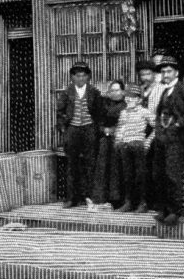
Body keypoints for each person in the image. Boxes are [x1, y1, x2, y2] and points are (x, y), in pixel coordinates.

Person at [151, 56, 184, 225]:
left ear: (177, 73)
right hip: (162, 138)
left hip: (177, 138)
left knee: (172, 174)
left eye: (169, 71)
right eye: (163, 71)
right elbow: (159, 114)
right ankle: (164, 210)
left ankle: (175, 211)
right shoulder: (165, 91)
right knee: (159, 174)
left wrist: (180, 123)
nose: (165, 74)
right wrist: (158, 129)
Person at [56, 62, 101, 208]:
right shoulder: (66, 92)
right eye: (77, 76)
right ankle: (71, 199)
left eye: (83, 75)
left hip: (89, 130)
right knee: (72, 165)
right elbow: (60, 112)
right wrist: (64, 128)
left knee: (90, 164)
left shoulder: (94, 92)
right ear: (72, 77)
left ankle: (90, 197)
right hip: (73, 130)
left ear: (88, 77)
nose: (81, 79)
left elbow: (99, 112)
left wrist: (96, 128)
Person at [114, 84, 152, 213]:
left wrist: (147, 142)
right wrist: (118, 141)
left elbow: (157, 127)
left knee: (140, 175)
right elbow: (120, 128)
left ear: (139, 100)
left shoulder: (144, 112)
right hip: (125, 146)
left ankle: (142, 203)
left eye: (134, 97)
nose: (130, 99)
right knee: (127, 175)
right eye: (128, 97)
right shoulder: (123, 113)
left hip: (138, 145)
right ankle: (129, 202)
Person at [90, 79, 126, 207]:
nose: (115, 93)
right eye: (112, 90)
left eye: (117, 90)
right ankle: (101, 197)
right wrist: (105, 130)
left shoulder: (127, 104)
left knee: (117, 166)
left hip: (122, 139)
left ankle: (117, 199)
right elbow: (97, 122)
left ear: (123, 91)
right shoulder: (104, 105)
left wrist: (116, 131)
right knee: (103, 162)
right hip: (105, 138)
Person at [137, 57, 164, 208]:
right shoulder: (141, 90)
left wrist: (149, 139)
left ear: (154, 74)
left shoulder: (160, 90)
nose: (145, 78)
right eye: (142, 75)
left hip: (157, 132)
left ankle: (155, 203)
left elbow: (159, 119)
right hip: (142, 131)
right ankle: (142, 202)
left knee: (154, 169)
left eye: (148, 74)